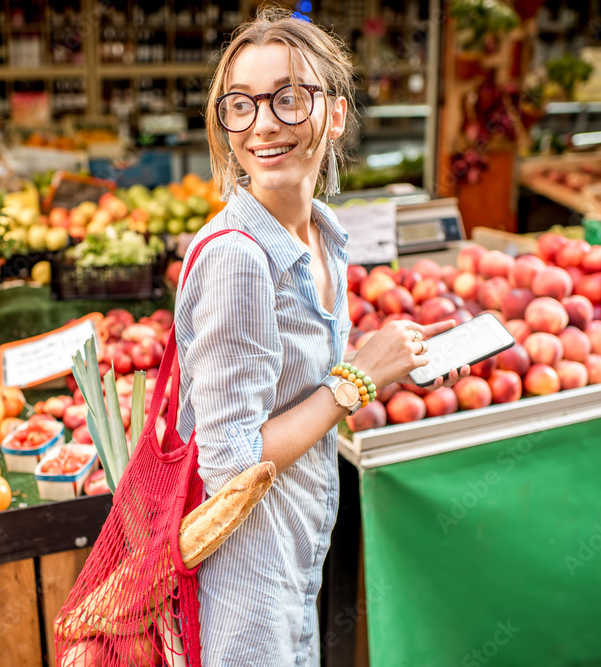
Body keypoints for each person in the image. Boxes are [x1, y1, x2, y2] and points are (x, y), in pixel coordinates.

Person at [173, 6, 469, 665]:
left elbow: (300, 381)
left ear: (332, 115)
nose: (264, 123)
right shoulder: (239, 259)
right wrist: (357, 379)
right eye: (240, 105)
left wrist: (397, 357)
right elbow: (230, 464)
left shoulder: (326, 235)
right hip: (244, 579)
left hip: (298, 542)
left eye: (287, 97)